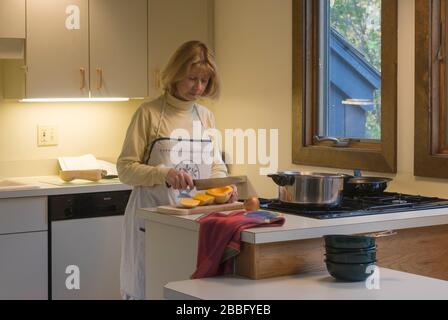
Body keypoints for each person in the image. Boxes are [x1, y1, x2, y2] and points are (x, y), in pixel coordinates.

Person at [117, 40, 237, 300]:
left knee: (185, 293)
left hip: (194, 225)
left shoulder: (205, 116)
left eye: (204, 80)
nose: (198, 87)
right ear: (175, 75)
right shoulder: (148, 113)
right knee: (148, 289)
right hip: (152, 222)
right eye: (192, 78)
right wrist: (165, 174)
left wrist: (224, 186)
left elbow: (215, 166)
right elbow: (125, 168)